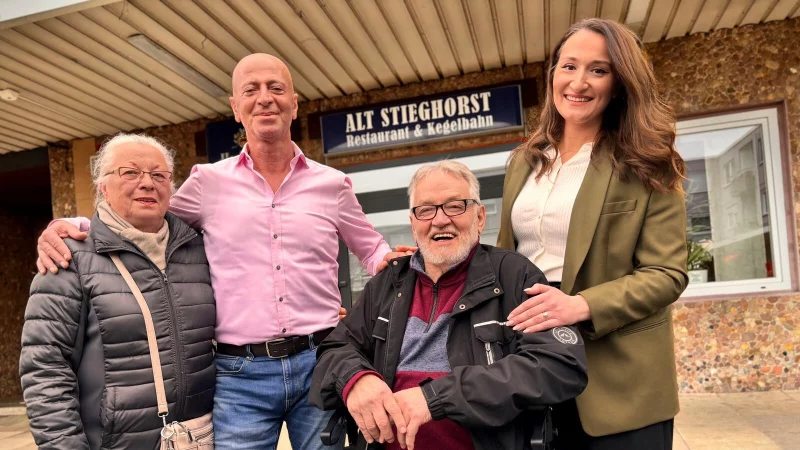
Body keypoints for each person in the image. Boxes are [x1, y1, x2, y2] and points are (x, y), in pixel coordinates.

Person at [34, 53, 407, 450]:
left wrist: (399, 261)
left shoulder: (332, 184)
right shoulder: (207, 183)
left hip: (320, 361)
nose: (265, 98)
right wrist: (79, 225)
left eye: (276, 88)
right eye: (251, 90)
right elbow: (149, 220)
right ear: (236, 108)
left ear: (294, 104)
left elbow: (372, 250)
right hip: (239, 375)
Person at [496, 19, 688, 449]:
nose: (578, 82)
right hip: (531, 366)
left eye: (598, 70)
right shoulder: (524, 162)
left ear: (619, 84)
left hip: (620, 383)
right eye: (569, 66)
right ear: (553, 75)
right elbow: (507, 256)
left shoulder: (647, 162)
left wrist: (579, 305)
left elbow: (666, 274)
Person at [311, 161, 588, 450]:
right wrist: (356, 379)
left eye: (455, 206)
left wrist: (436, 397)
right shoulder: (387, 284)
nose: (440, 220)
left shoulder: (514, 276)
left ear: (480, 217)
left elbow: (558, 365)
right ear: (413, 224)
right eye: (425, 210)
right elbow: (334, 349)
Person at [20, 134, 216, 449]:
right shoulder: (69, 259)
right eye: (130, 172)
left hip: (200, 438)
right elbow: (45, 368)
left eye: (159, 175)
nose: (147, 183)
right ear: (103, 187)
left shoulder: (198, 250)